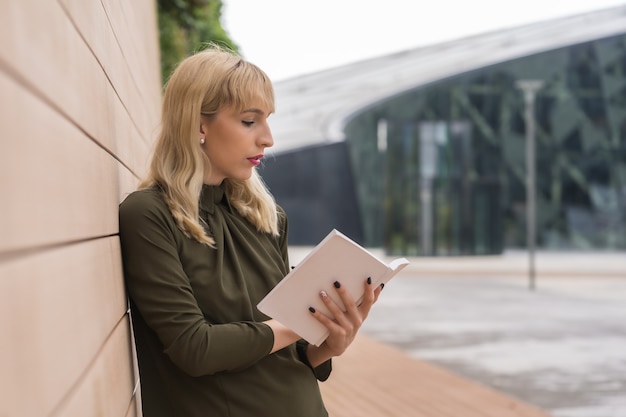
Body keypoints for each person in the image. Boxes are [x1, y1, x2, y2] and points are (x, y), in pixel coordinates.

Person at [118, 44, 383, 417]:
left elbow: (295, 355)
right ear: (198, 124)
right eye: (249, 121)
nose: (267, 138)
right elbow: (195, 349)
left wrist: (330, 340)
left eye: (268, 120)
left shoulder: (266, 217)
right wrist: (300, 321)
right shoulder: (148, 215)